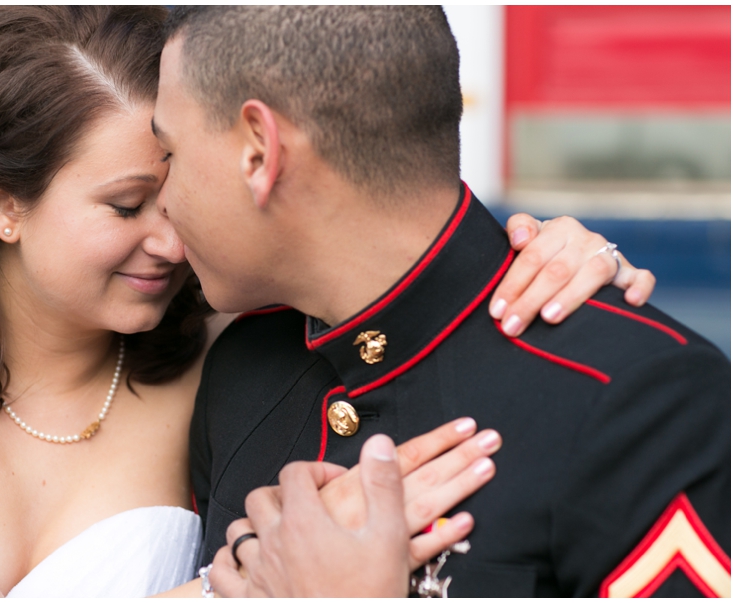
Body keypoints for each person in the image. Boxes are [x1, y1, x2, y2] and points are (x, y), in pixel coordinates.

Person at [0, 5, 661, 598]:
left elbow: (389, 267)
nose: (171, 239)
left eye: (179, 190)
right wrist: (261, 584)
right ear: (3, 205)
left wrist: (545, 254)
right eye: (128, 206)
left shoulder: (239, 354)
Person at [151, 6, 731, 598]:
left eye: (169, 155)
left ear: (258, 151)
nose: (163, 202)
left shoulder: (643, 398)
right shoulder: (242, 371)